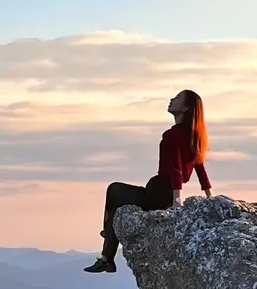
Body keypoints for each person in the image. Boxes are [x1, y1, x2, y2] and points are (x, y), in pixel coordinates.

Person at [84, 89, 212, 273]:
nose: (171, 99)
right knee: (117, 206)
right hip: (165, 193)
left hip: (159, 191)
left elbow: (176, 167)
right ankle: (107, 254)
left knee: (114, 190)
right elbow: (200, 167)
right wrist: (209, 196)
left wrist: (177, 199)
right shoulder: (194, 136)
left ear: (185, 108)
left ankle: (107, 238)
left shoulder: (173, 135)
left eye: (176, 98)